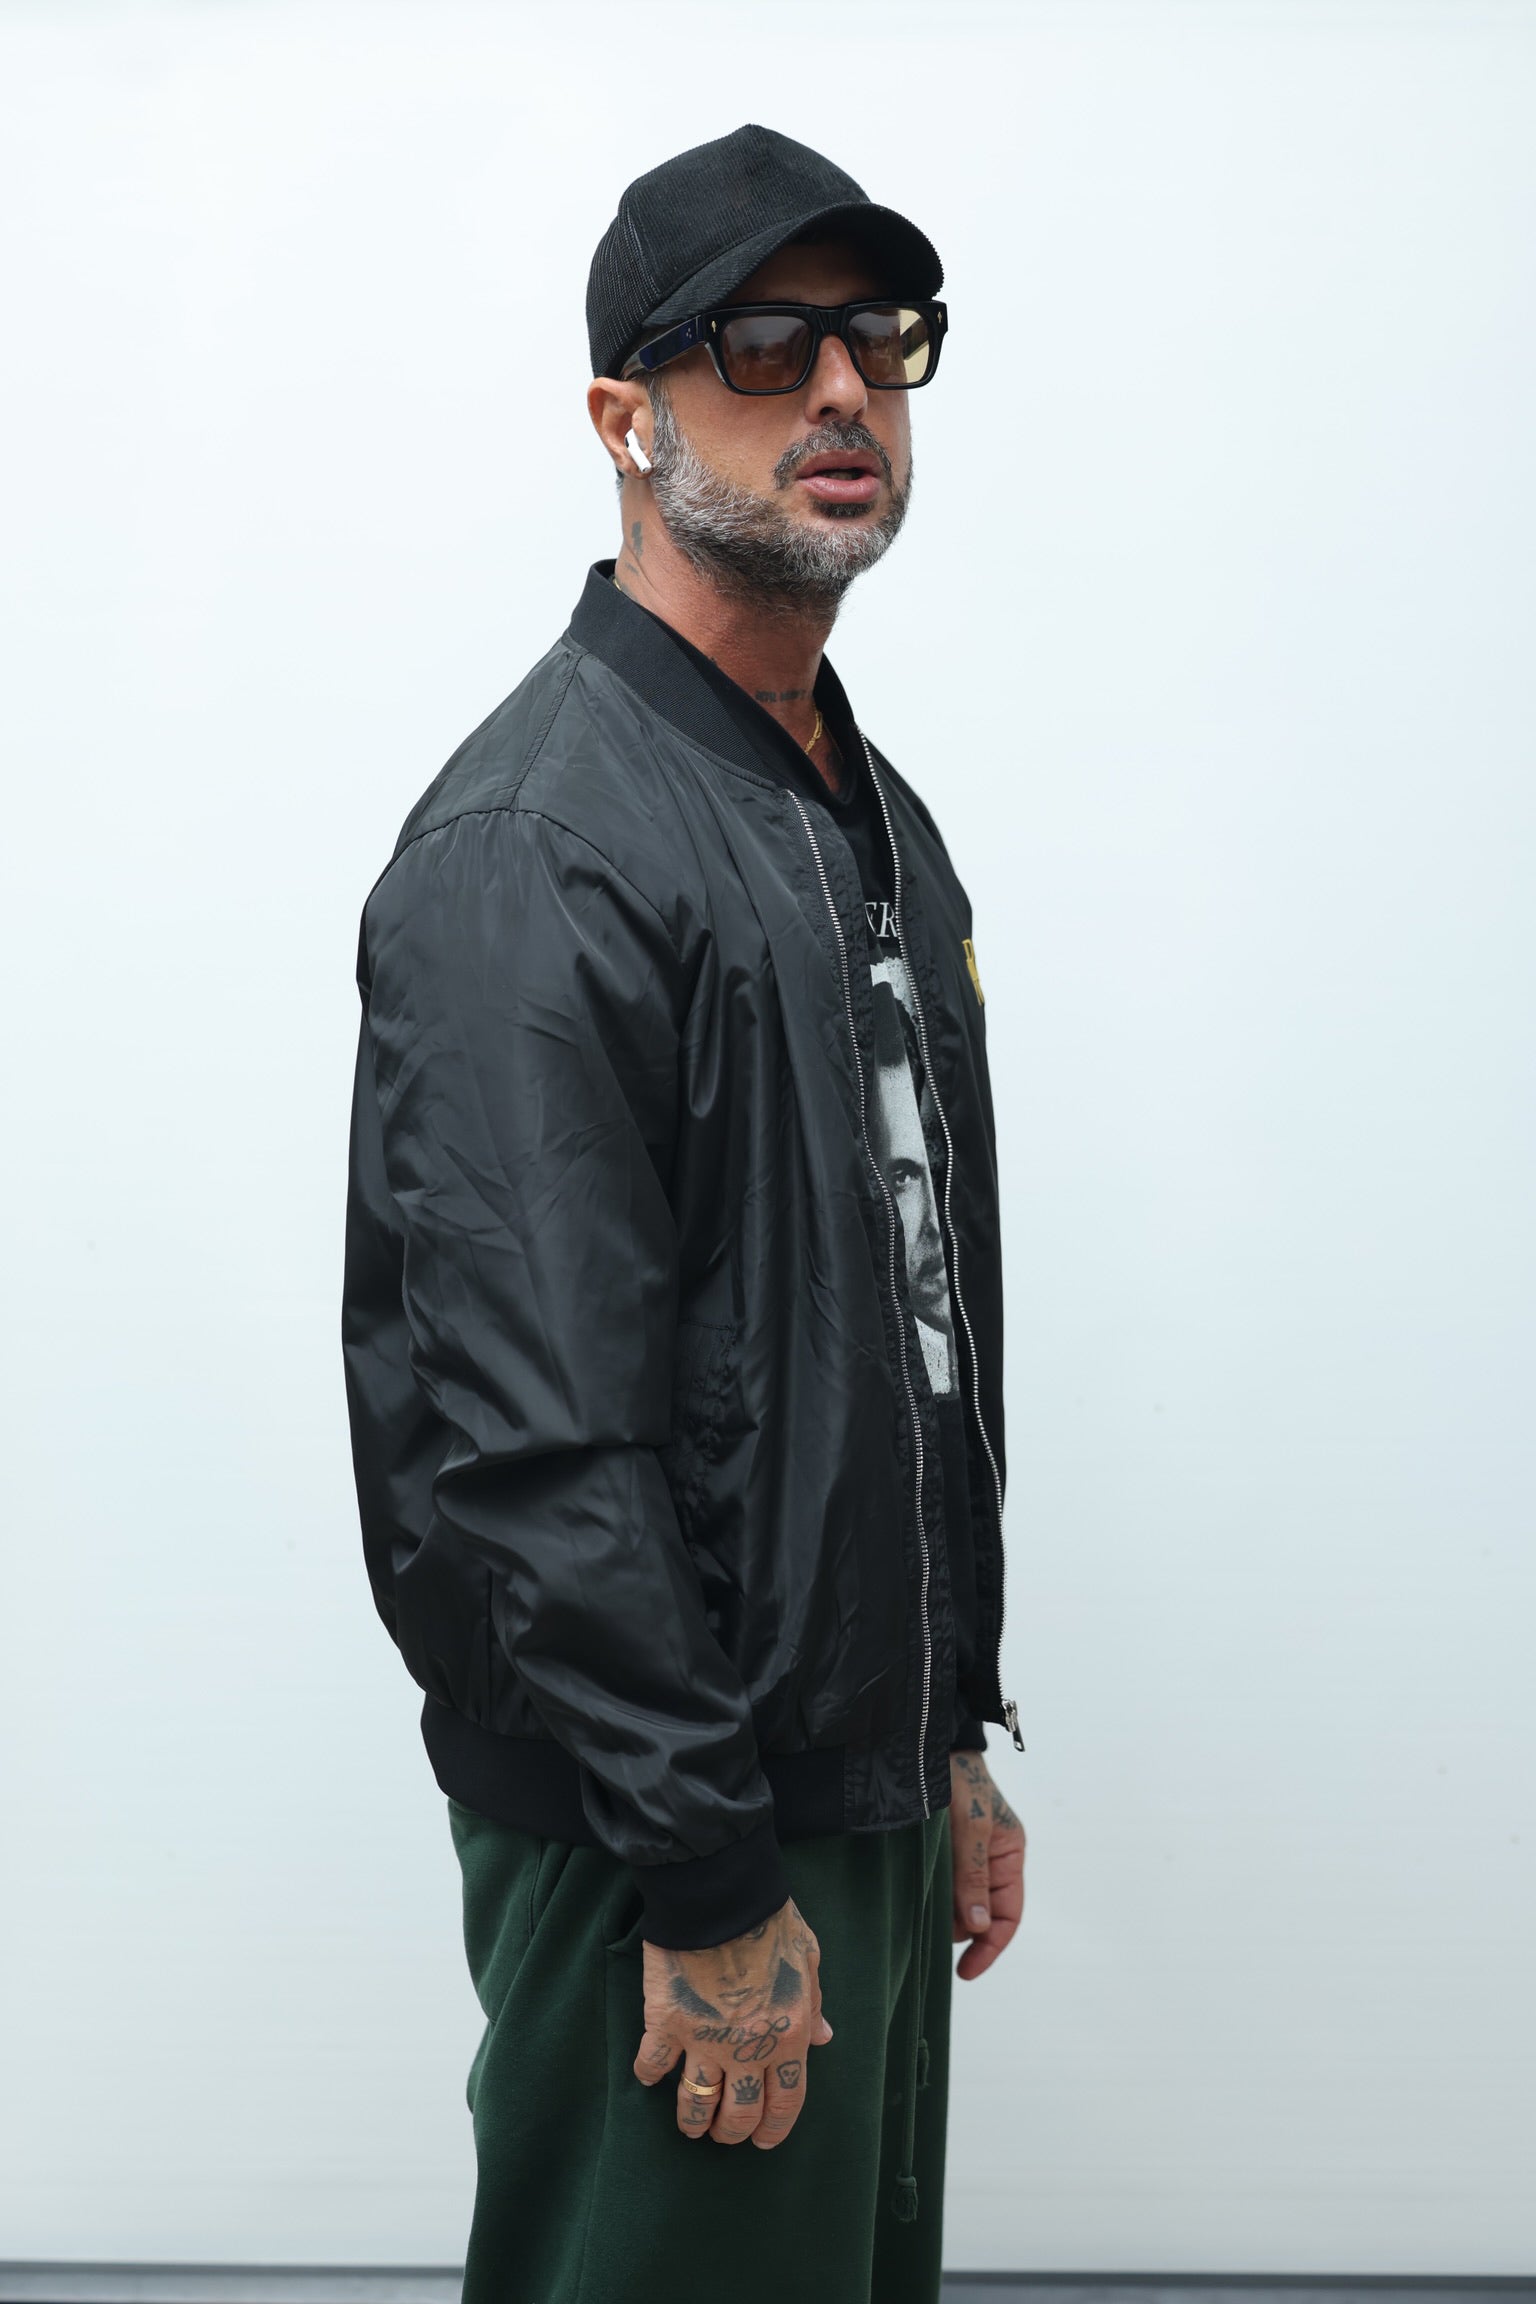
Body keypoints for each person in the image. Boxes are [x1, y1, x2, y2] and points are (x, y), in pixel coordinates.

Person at [341, 122, 1026, 2304]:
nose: (840, 390)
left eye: (880, 340)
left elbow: (900, 1321)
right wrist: (712, 1878)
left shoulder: (865, 813)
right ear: (622, 415)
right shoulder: (540, 845)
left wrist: (943, 1733)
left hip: (842, 1790)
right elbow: (537, 1438)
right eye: (759, 342)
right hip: (666, 1840)